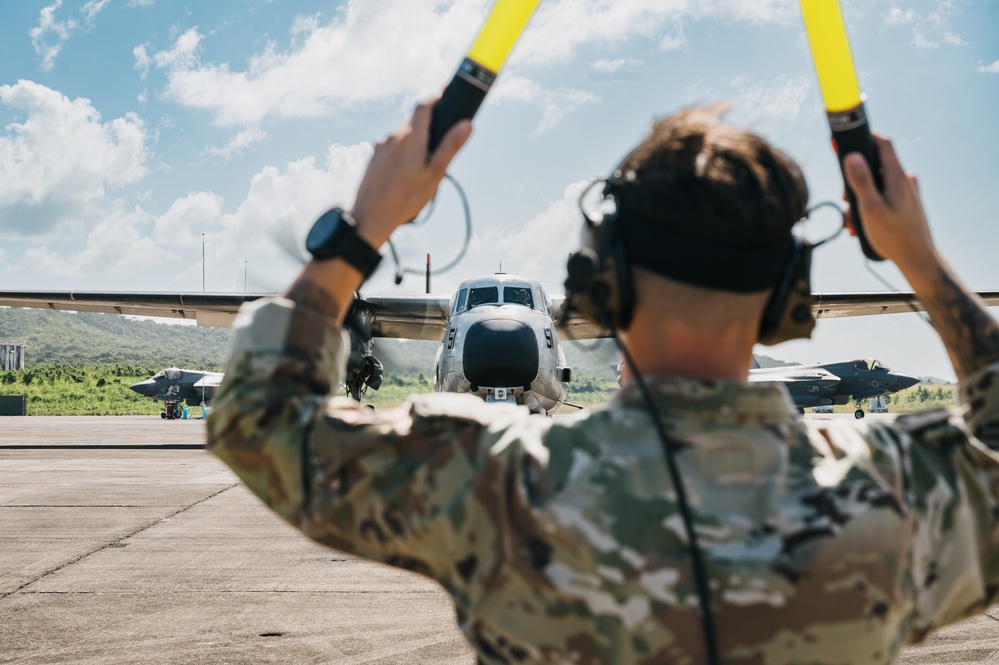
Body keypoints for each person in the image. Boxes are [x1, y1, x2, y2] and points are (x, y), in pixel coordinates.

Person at [206, 99, 999, 664]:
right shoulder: (898, 493)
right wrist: (918, 258)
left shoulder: (492, 481)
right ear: (788, 297)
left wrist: (359, 233)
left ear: (602, 283)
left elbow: (259, 418)